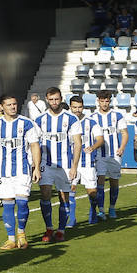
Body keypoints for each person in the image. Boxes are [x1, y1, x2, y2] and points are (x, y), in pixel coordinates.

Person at [0, 94, 42, 251]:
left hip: (22, 171)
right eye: (9, 105)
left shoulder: (27, 123)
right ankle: (11, 239)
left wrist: (36, 167)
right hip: (2, 173)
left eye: (14, 104)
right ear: (1, 107)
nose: (13, 107)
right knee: (7, 205)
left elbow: (35, 146)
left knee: (22, 202)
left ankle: (21, 234)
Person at [33, 87, 82, 242]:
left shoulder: (71, 118)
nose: (54, 102)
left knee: (64, 197)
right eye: (51, 99)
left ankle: (61, 229)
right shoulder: (39, 119)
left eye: (57, 99)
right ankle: (48, 229)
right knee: (45, 193)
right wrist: (35, 166)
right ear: (47, 100)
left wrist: (74, 166)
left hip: (65, 164)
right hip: (45, 164)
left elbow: (77, 143)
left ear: (61, 99)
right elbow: (34, 144)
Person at [84, 91, 128, 220]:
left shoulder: (117, 115)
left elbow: (124, 133)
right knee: (100, 181)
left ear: (110, 101)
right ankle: (101, 210)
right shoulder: (92, 117)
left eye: (107, 101)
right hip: (99, 154)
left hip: (115, 154)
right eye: (102, 101)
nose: (104, 103)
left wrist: (122, 147)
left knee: (114, 182)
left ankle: (112, 208)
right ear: (98, 101)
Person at [69, 95, 107, 224]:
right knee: (71, 189)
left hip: (88, 162)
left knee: (92, 191)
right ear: (70, 107)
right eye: (74, 107)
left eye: (79, 107)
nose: (77, 110)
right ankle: (72, 219)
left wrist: (93, 146)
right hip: (71, 162)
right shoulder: (66, 122)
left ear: (83, 107)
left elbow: (100, 139)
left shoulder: (91, 122)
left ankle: (93, 213)